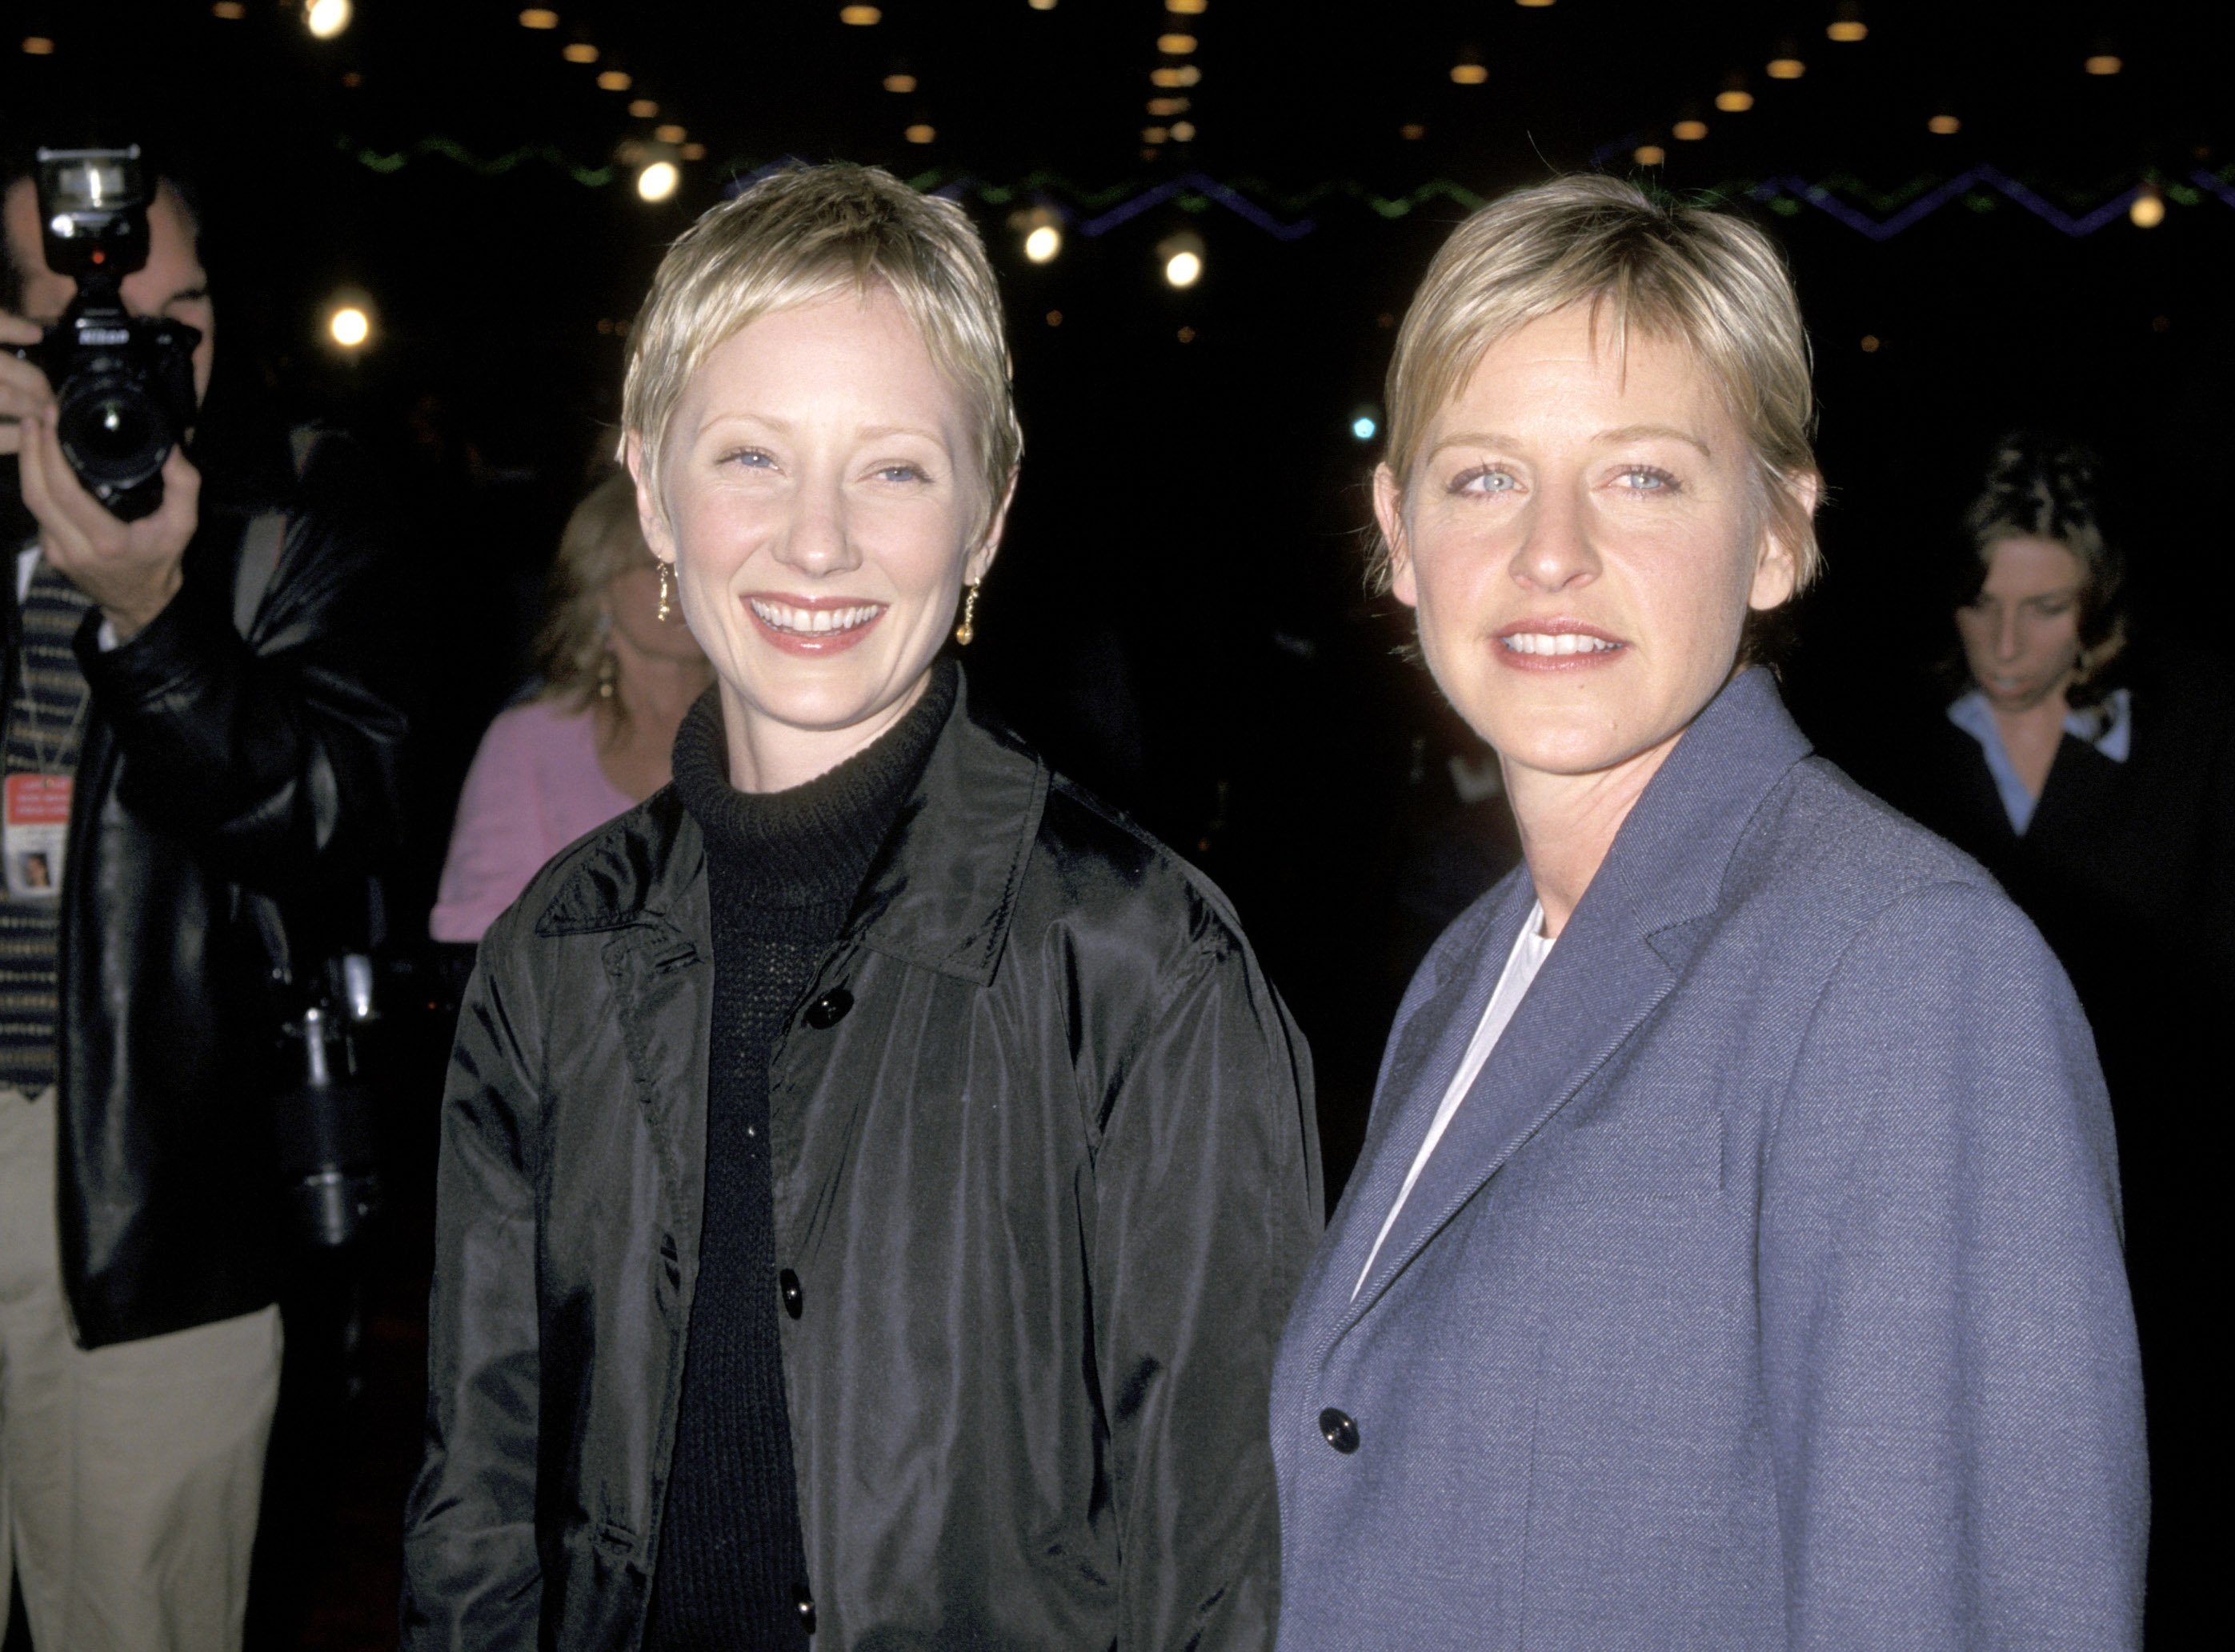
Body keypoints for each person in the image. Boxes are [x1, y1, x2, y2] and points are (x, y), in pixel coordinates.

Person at [399, 162, 1321, 1651]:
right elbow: (481, 1514)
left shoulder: (1145, 971)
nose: (815, 541)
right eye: (752, 458)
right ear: (650, 486)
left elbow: (1230, 1570)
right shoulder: (551, 955)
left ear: (988, 517)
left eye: (893, 467)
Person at [1268, 174, 2145, 1649]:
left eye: (1643, 476)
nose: (1551, 551)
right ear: (1396, 531)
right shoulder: (1472, 969)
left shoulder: (1903, 970)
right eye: (1483, 474)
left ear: (1781, 534)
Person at [0, 150, 407, 1650]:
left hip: (155, 1186)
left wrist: (152, 621)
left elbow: (330, 821)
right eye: (94, 327)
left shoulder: (285, 525)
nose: (147, 364)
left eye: (182, 320)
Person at [1866, 434, 2235, 1640]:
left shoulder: (2210, 720)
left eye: (2046, 609)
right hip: (1950, 1210)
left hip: (2162, 1206)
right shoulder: (1892, 739)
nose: (2006, 646)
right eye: (1984, 606)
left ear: (2099, 608)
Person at [429, 469, 711, 943]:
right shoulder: (531, 741)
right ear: (599, 592)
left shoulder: (780, 731)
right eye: (656, 564)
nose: (682, 582)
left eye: (700, 559)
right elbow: (478, 931)